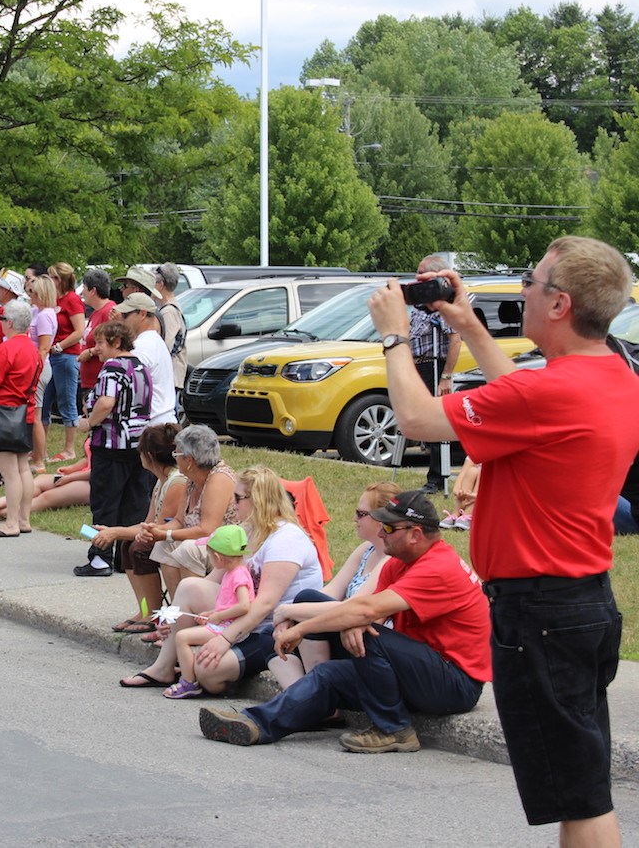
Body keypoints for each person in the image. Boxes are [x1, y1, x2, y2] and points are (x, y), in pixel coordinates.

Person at [369, 236, 639, 845]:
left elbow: (415, 419)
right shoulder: (613, 373)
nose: (522, 289)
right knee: (582, 785)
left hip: (541, 611)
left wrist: (394, 334)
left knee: (581, 797)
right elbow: (524, 394)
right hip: (581, 604)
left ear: (560, 304)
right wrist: (470, 326)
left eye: (531, 281)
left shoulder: (547, 392)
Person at [200, 491, 491, 755]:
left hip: (455, 683)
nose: (381, 533)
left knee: (367, 635)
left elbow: (365, 611)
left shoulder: (438, 567)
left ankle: (395, 729)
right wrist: (348, 620)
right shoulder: (397, 562)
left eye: (389, 527)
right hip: (417, 672)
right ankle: (256, 724)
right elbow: (363, 611)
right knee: (329, 674)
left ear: (415, 534)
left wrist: (303, 627)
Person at [119, 466, 321, 691]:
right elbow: (212, 582)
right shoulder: (248, 529)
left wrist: (224, 638)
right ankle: (163, 667)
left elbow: (264, 604)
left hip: (271, 627)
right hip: (245, 616)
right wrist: (173, 619)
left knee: (207, 672)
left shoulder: (286, 538)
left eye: (238, 498)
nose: (233, 504)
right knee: (189, 587)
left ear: (258, 500)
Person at [268, 480, 401, 690]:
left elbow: (356, 607)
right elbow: (331, 591)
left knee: (305, 603)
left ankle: (317, 695)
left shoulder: (391, 560)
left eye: (360, 513)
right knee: (274, 646)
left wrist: (289, 610)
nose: (354, 518)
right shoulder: (366, 549)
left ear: (380, 519)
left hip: (365, 639)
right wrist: (290, 615)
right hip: (346, 628)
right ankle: (308, 698)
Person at [75, 320, 152, 574]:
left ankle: (100, 557)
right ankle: (127, 557)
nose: (96, 349)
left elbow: (107, 402)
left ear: (116, 342)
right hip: (139, 443)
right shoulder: (141, 366)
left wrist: (89, 422)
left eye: (100, 343)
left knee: (105, 501)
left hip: (111, 443)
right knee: (135, 501)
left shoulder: (113, 366)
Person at [93, 425, 182, 633]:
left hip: (177, 539)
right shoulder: (162, 481)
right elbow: (148, 522)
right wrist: (114, 531)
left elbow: (157, 528)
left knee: (138, 549)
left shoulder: (176, 482)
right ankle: (145, 610)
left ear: (149, 455)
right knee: (128, 546)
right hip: (166, 534)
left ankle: (154, 612)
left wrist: (115, 532)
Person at [0, 298, 40, 537]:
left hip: (2, 414)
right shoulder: (32, 349)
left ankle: (11, 523)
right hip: (26, 413)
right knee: (23, 468)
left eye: (2, 319)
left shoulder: (6, 349)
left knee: (9, 472)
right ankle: (23, 519)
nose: (0, 323)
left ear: (9, 323)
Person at [164, 524, 253, 700]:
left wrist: (218, 616)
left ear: (218, 557)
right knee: (185, 637)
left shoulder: (238, 575)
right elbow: (231, 603)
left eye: (210, 556)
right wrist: (212, 612)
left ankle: (188, 683)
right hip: (224, 622)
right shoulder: (232, 572)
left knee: (182, 637)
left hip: (228, 627)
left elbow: (244, 605)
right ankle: (188, 675)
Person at [145, 424, 237, 586]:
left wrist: (166, 534)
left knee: (188, 549)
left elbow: (207, 530)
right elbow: (179, 521)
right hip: (204, 543)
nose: (175, 457)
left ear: (189, 460)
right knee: (163, 545)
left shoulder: (219, 479)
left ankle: (193, 605)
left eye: (177, 453)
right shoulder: (191, 480)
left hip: (226, 547)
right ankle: (178, 607)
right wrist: (156, 530)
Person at [407, 255, 460, 493]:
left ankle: (436, 479)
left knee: (435, 421)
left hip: (433, 365)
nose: (417, 277)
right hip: (417, 365)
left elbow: (455, 339)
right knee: (421, 419)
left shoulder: (443, 307)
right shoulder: (420, 306)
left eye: (422, 272)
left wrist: (446, 376)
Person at [0, 448, 90, 523]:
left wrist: (70, 478)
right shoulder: (95, 428)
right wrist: (71, 468)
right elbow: (88, 457)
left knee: (48, 496)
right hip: (81, 475)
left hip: (98, 483)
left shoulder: (108, 433)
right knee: (40, 481)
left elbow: (103, 471)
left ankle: (0, 513)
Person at [113, 292, 177, 425]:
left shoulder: (142, 347)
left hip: (150, 424)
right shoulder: (153, 341)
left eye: (125, 315)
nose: (122, 319)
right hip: (161, 420)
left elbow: (126, 389)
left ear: (142, 314)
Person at [43, 262, 85, 462]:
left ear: (59, 280)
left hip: (66, 357)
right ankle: (40, 448)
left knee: (66, 401)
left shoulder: (72, 300)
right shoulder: (54, 300)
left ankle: (69, 449)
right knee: (43, 401)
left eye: (51, 277)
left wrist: (59, 346)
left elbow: (79, 331)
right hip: (51, 358)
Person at [25, 275, 58, 472]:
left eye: (33, 291)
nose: (30, 294)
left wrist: (33, 371)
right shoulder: (38, 312)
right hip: (35, 365)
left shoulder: (45, 315)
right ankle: (36, 454)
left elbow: (44, 348)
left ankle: (39, 461)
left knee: (36, 416)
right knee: (33, 414)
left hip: (38, 367)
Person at [76, 268, 116, 408]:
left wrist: (90, 352)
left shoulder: (108, 312)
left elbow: (112, 344)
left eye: (85, 289)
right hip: (89, 382)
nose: (83, 293)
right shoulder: (95, 313)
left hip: (99, 381)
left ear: (93, 291)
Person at [153, 263, 188, 404]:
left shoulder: (168, 312)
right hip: (170, 377)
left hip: (169, 377)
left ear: (161, 285)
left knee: (169, 420)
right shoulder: (171, 308)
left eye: (153, 283)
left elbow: (165, 346)